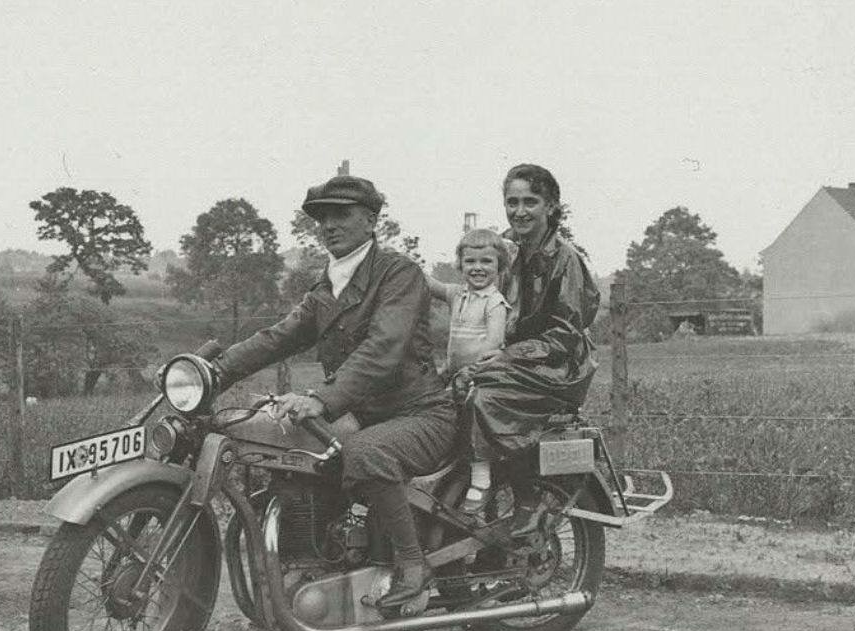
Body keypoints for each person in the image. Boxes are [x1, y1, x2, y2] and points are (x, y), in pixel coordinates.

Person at [214, 172, 454, 606]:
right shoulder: (327, 287)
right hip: (366, 414)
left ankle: (412, 564)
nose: (328, 224)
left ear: (371, 220)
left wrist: (321, 399)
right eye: (322, 216)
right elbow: (279, 337)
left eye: (341, 214)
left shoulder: (399, 273)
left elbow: (383, 347)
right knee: (295, 450)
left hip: (421, 414)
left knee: (365, 452)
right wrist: (213, 372)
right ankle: (322, 561)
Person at [466, 164, 601, 534]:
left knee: (485, 398)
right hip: (518, 359)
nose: (520, 211)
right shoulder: (507, 250)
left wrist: (507, 355)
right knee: (453, 386)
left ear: (551, 206)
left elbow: (566, 334)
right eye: (512, 202)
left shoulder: (565, 259)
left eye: (530, 202)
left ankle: (527, 494)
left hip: (560, 366)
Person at [424, 228, 512, 518]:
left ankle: (481, 476)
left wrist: (471, 372)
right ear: (460, 265)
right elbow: (433, 285)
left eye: (486, 261)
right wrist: (403, 267)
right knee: (430, 404)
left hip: (481, 374)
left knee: (476, 413)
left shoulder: (494, 302)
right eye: (470, 261)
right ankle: (441, 470)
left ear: (499, 266)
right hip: (455, 373)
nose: (477, 268)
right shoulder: (457, 294)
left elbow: (492, 345)